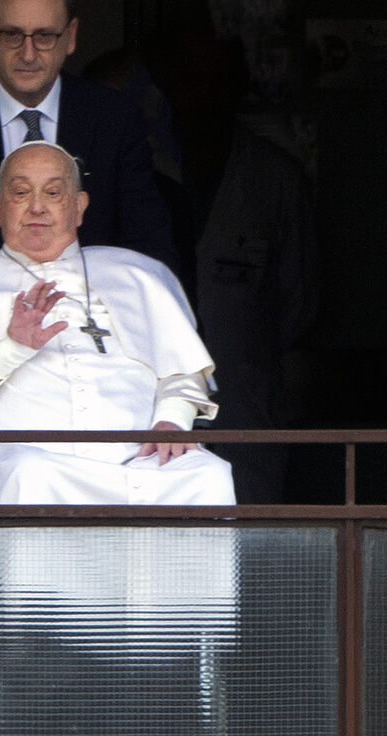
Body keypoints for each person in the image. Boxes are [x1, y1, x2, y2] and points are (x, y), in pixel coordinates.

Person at [0, 141, 235, 507]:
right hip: (23, 460)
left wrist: (172, 421)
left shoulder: (138, 274)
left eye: (54, 192)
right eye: (21, 192)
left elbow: (182, 373)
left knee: (209, 475)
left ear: (79, 206)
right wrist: (10, 349)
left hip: (143, 458)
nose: (37, 207)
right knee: (34, 477)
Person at [0, 0, 179, 309]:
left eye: (45, 36)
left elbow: (149, 249)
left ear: (71, 37)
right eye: (12, 35)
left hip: (90, 326)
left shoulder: (114, 119)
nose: (28, 54)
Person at [146, 25, 317, 503]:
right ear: (168, 86)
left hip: (247, 404)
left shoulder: (274, 179)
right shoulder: (143, 173)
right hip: (151, 409)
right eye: (190, 81)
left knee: (250, 531)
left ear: (237, 87)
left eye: (216, 81)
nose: (202, 97)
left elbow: (299, 305)